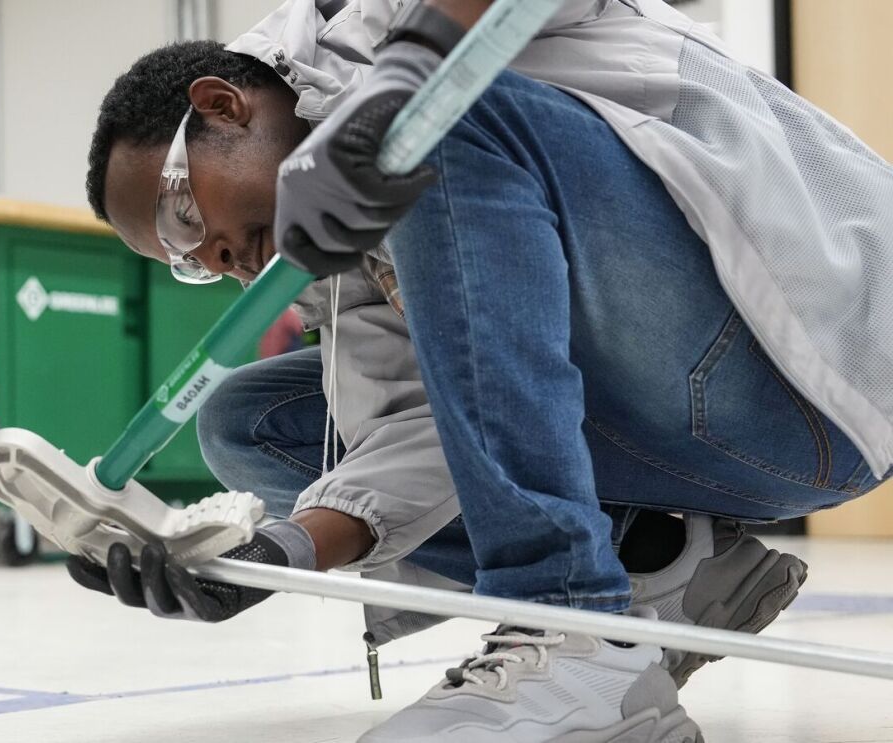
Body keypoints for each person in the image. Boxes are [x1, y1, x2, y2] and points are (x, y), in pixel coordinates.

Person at [67, 1, 893, 740]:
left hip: (817, 354)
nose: (215, 256)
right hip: (711, 430)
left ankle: (563, 622)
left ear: (222, 104)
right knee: (253, 423)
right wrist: (273, 558)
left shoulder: (367, 26)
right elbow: (425, 427)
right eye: (186, 261)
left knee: (439, 120)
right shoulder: (334, 253)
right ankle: (666, 568)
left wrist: (396, 89)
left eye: (185, 213)